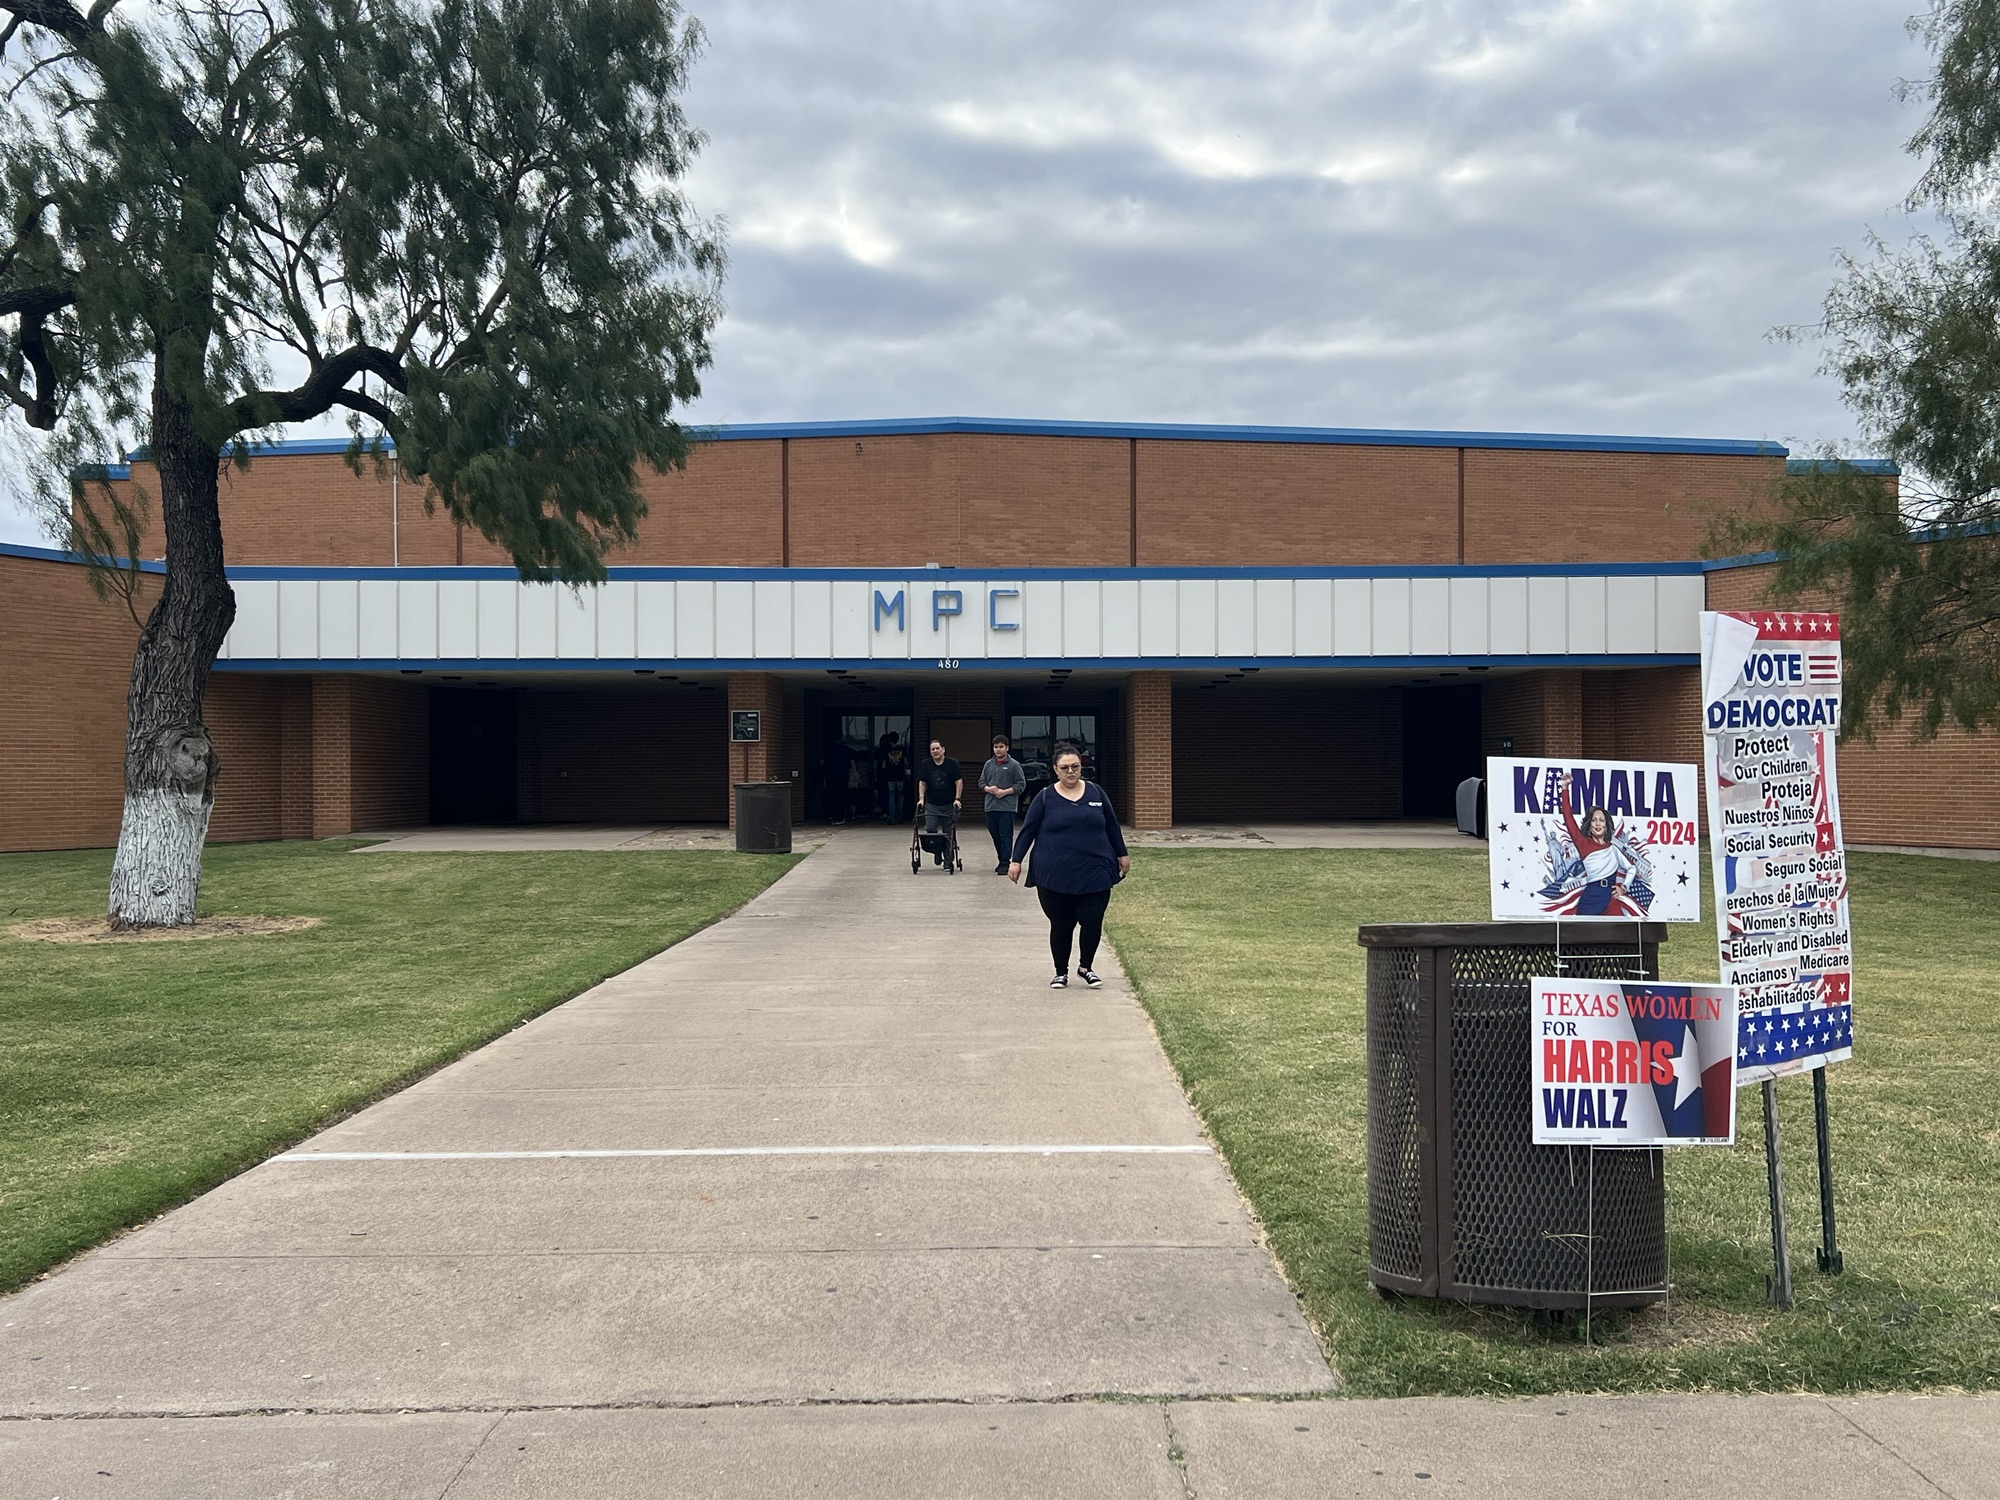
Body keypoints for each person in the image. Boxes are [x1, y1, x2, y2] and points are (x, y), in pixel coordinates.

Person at [1009, 742, 1130, 988]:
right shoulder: (1045, 798)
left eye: (1075, 766)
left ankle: (1086, 967)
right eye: (1065, 768)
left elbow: (1111, 826)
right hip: (1055, 874)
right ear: (1055, 769)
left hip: (1095, 871)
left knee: (1092, 920)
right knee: (1061, 924)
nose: (1071, 772)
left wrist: (1122, 853)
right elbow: (1028, 830)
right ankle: (1060, 971)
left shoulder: (1096, 793)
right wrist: (1015, 860)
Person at [978, 735, 1028, 875]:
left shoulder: (1014, 765)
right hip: (990, 806)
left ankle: (1005, 862)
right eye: (996, 747)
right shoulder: (988, 764)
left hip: (1007, 807)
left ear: (1007, 748)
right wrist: (988, 789)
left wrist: (1005, 792)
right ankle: (1001, 859)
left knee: (1005, 834)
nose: (998, 750)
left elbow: (1021, 785)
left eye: (1001, 747)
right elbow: (981, 782)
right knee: (995, 834)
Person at [915, 738, 962, 863]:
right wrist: (921, 798)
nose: (935, 751)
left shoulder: (952, 764)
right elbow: (922, 782)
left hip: (949, 804)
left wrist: (957, 799)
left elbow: (959, 782)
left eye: (937, 748)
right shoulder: (926, 764)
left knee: (948, 833)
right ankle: (937, 851)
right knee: (930, 829)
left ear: (943, 750)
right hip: (932, 804)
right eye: (933, 749)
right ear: (930, 752)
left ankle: (948, 859)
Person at [878, 731, 910, 823]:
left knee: (891, 797)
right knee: (901, 796)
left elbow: (883, 765)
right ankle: (900, 818)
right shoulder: (902, 749)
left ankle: (892, 818)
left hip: (890, 776)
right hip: (900, 775)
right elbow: (906, 762)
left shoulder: (886, 750)